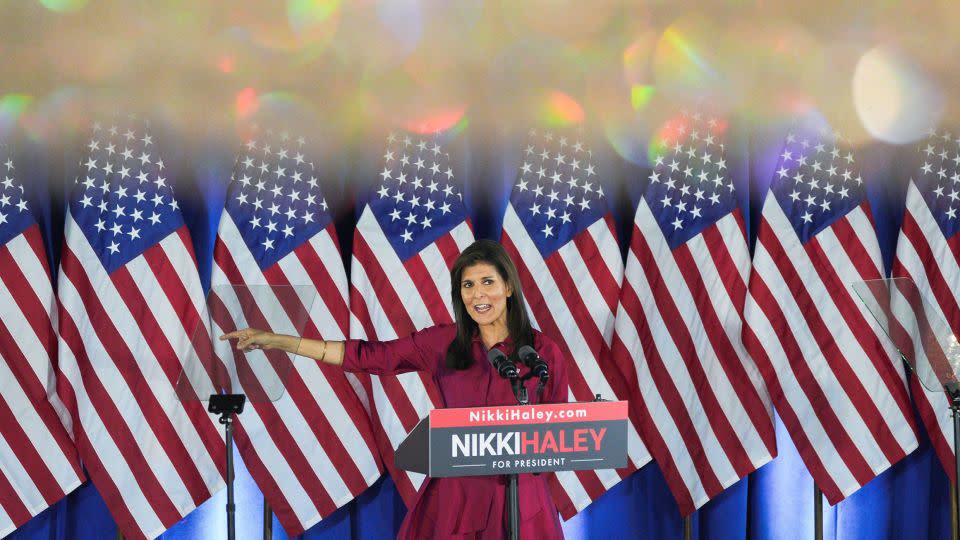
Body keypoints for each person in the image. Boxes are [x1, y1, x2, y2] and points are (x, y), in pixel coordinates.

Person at [221, 239, 567, 539]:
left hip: (523, 500)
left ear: (508, 287)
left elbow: (559, 429)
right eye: (468, 285)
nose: (478, 294)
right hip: (458, 501)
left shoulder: (542, 352)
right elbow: (372, 357)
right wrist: (280, 341)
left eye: (488, 282)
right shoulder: (444, 343)